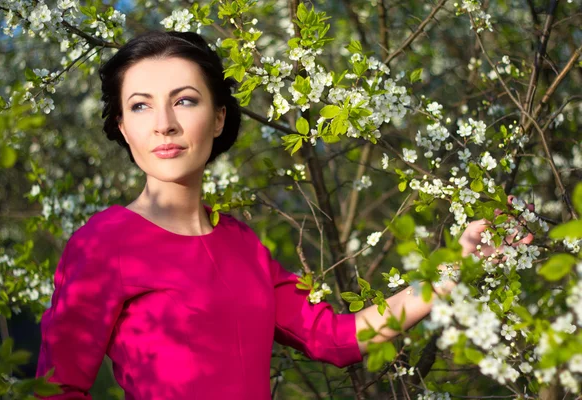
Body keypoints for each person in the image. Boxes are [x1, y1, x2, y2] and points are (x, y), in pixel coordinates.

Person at [35, 30, 532, 399]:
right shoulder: (102, 244)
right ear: (122, 126)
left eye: (184, 101)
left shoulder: (243, 244)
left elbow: (337, 338)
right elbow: (57, 389)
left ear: (220, 116)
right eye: (141, 107)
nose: (164, 124)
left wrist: (455, 268)